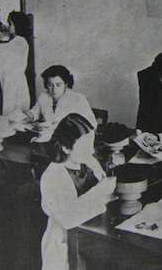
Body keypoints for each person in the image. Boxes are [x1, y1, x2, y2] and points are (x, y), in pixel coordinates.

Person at [40, 113, 117, 270]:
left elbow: (105, 198)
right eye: (84, 145)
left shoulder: (88, 161)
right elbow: (68, 219)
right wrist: (98, 191)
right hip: (66, 244)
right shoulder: (52, 176)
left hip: (94, 235)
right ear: (66, 147)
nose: (90, 150)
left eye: (92, 143)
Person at [0, 11, 31, 115]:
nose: (7, 26)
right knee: (10, 114)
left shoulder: (19, 42)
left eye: (10, 23)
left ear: (18, 25)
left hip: (14, 84)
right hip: (9, 82)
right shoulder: (13, 42)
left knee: (15, 114)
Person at [27, 65, 97, 129]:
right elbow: (36, 111)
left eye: (58, 85)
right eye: (50, 85)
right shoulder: (44, 96)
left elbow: (91, 123)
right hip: (47, 135)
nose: (54, 89)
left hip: (71, 138)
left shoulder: (78, 99)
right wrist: (30, 115)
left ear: (65, 84)